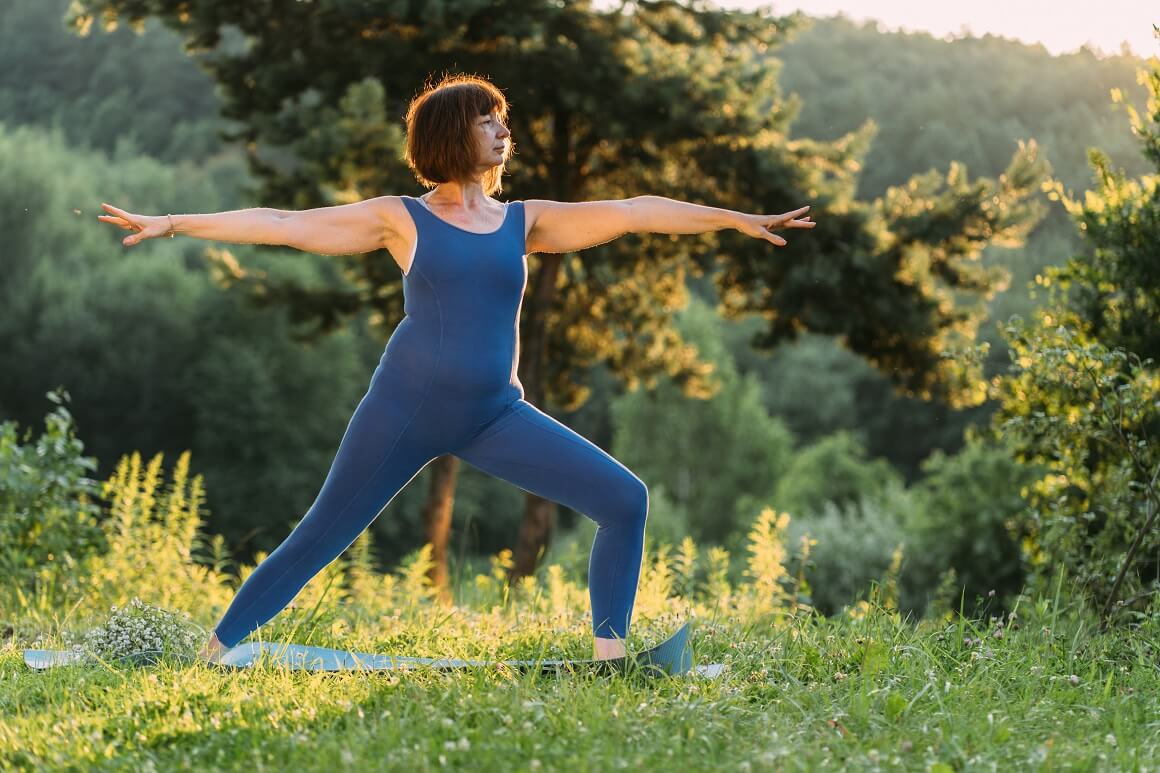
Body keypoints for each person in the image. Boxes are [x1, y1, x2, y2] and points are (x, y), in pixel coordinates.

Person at [97, 73, 815, 665]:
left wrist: (735, 218)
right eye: (486, 119)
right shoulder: (399, 217)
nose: (502, 130)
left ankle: (610, 658)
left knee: (625, 500)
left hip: (492, 413)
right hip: (403, 408)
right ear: (451, 135)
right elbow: (283, 223)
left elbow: (632, 210)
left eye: (502, 117)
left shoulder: (522, 220)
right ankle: (212, 651)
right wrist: (172, 223)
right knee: (320, 535)